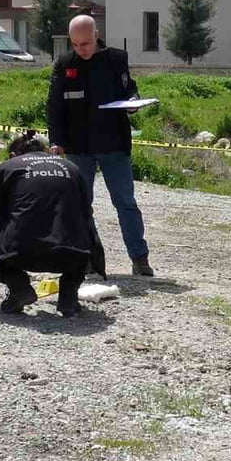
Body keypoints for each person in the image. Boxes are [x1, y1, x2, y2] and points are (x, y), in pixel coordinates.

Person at [46, 15, 154, 277]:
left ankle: (139, 258)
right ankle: (89, 258)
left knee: (125, 202)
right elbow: (54, 104)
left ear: (96, 34)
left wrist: (132, 103)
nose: (81, 49)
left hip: (114, 144)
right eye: (75, 44)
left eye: (85, 43)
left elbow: (130, 89)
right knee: (81, 206)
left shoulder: (116, 59)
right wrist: (56, 140)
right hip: (77, 147)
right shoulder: (64, 64)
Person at [0, 130, 104, 317]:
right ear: (47, 150)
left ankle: (19, 287)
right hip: (72, 254)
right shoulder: (71, 167)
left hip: (21, 253)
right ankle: (68, 297)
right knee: (84, 226)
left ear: (13, 155)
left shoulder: (8, 167)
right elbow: (86, 210)